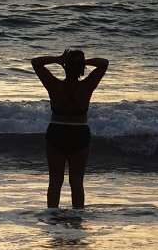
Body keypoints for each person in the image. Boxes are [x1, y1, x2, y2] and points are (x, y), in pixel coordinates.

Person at [31, 49, 108, 208]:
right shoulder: (87, 86)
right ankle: (77, 218)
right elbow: (104, 63)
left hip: (57, 132)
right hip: (79, 133)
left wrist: (58, 59)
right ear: (81, 70)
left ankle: (53, 216)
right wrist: (83, 62)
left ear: (65, 67)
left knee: (55, 181)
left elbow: (36, 63)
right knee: (77, 182)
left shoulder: (54, 85)